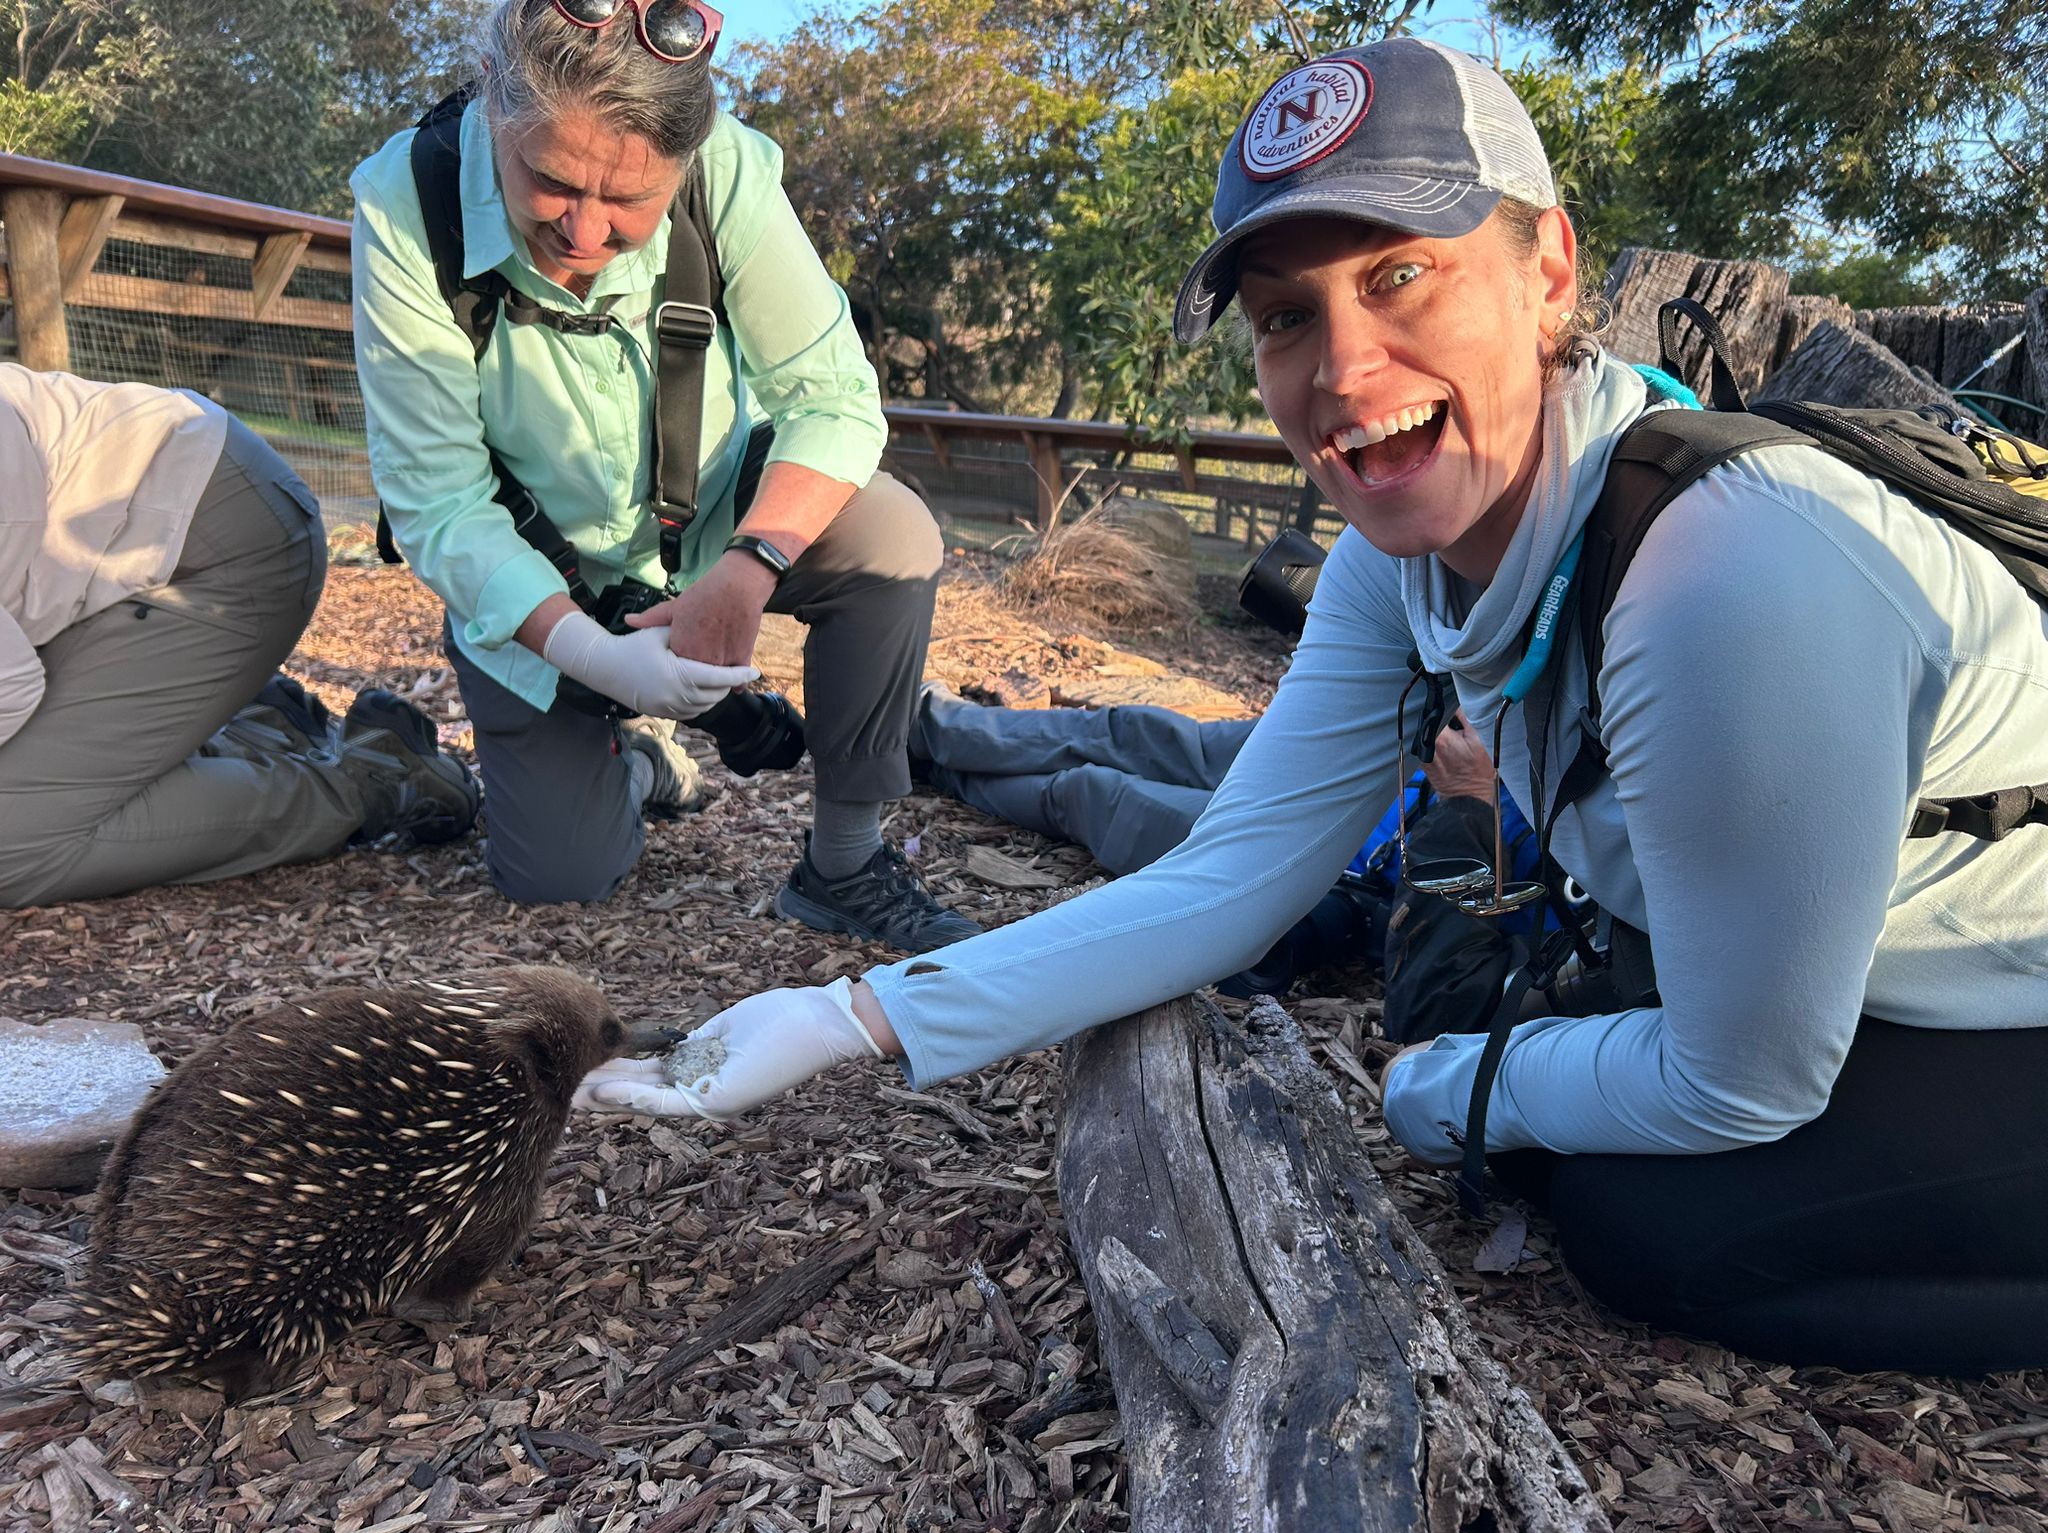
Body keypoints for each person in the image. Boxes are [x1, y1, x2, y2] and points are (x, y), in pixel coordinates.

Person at [580, 38, 2048, 1374]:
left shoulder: (1725, 579)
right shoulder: (1393, 568)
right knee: (1571, 1146)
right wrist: (848, 1018)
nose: (1346, 371)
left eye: (1400, 275)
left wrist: (1445, 1092)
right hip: (1830, 968)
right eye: (1290, 317)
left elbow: (1744, 1080)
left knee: (1653, 1231)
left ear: (1548, 277)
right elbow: (1229, 882)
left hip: (2001, 979)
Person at [351, 0, 978, 949]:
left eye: (629, 201)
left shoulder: (725, 168)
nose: (585, 234)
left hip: (715, 523)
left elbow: (836, 398)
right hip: (534, 580)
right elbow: (439, 502)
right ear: (494, 107)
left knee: (894, 537)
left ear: (686, 162)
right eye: (552, 181)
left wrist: (752, 561)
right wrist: (595, 656)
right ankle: (648, 758)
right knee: (560, 880)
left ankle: (846, 860)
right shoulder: (407, 203)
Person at [0, 364, 479, 909]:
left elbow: (9, 687)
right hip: (172, 520)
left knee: (11, 843)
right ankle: (250, 729)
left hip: (219, 549)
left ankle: (371, 780)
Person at [907, 682, 1545, 998]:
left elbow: (1454, 968)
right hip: (1370, 754)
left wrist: (1469, 799)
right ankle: (921, 727)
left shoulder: (1601, 878)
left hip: (1314, 853)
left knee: (1093, 794)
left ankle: (934, 768)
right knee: (1132, 733)